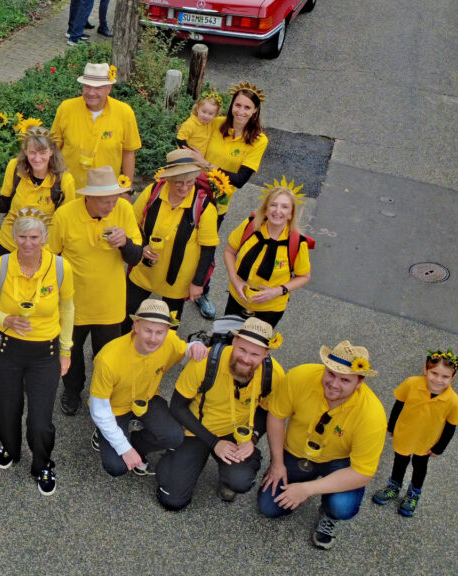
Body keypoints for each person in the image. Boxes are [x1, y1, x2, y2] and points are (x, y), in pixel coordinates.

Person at [0, 211, 74, 495]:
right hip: (6, 349)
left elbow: (67, 308)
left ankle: (43, 464)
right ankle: (9, 447)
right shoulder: (0, 267)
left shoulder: (60, 267)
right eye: (22, 236)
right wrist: (5, 319)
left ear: (44, 238)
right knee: (6, 410)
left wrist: (66, 350)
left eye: (34, 237)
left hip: (46, 352)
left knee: (40, 420)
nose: (28, 243)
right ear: (13, 237)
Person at [259, 340, 386, 550]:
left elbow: (363, 472)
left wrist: (307, 489)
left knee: (342, 507)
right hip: (295, 452)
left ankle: (328, 514)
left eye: (345, 380)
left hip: (339, 463)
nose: (334, 384)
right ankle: (292, 478)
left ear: (360, 381)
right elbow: (276, 415)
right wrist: (277, 463)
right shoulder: (300, 376)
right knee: (268, 508)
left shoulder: (373, 416)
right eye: (331, 374)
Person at [156, 317, 284, 510]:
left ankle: (229, 478)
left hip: (236, 434)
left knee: (240, 480)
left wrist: (253, 439)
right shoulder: (206, 361)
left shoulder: (274, 374)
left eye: (255, 354)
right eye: (242, 349)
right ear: (234, 342)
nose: (246, 359)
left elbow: (267, 411)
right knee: (172, 501)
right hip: (197, 430)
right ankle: (174, 455)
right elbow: (177, 407)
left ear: (266, 353)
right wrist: (214, 443)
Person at [48, 165, 142, 416]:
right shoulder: (64, 216)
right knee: (72, 353)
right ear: (87, 197)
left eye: (115, 199)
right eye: (105, 202)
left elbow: (137, 257)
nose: (112, 206)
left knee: (107, 358)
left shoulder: (123, 209)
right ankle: (72, 390)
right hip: (73, 304)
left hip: (109, 305)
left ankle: (102, 397)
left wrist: (125, 244)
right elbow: (51, 258)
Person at [89, 299, 208, 477]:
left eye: (159, 332)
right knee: (117, 467)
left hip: (147, 398)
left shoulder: (169, 340)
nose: (153, 339)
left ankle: (136, 443)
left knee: (174, 437)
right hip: (113, 409)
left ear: (168, 330)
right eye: (148, 330)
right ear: (136, 326)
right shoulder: (107, 359)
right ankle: (107, 434)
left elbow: (185, 352)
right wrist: (123, 448)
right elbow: (99, 411)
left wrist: (195, 347)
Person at [185, 82, 269, 318]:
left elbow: (240, 179)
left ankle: (202, 291)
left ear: (255, 111)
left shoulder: (258, 140)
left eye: (247, 107)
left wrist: (206, 164)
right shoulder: (216, 123)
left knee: (206, 248)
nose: (240, 111)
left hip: (218, 201)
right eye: (237, 105)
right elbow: (192, 129)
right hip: (191, 190)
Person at [126, 149, 217, 327]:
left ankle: (165, 354)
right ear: (167, 179)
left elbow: (208, 250)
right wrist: (142, 246)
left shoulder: (204, 206)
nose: (184, 188)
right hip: (144, 272)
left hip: (178, 281)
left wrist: (198, 283)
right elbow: (131, 223)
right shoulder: (153, 192)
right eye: (179, 183)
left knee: (171, 325)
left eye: (190, 182)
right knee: (124, 314)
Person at [372, 350, 458, 517]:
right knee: (400, 462)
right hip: (405, 433)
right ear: (425, 370)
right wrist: (391, 426)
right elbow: (399, 404)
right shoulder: (411, 384)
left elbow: (451, 426)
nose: (438, 380)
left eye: (445, 377)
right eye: (434, 373)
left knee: (420, 467)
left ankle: (414, 493)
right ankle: (394, 485)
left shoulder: (453, 401)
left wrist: (439, 447)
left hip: (426, 441)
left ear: (453, 377)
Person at [223, 178, 311, 327]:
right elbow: (229, 251)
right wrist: (235, 279)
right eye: (273, 205)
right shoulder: (250, 226)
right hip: (238, 298)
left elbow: (304, 276)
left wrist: (278, 291)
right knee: (225, 337)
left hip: (270, 308)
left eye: (284, 207)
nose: (277, 211)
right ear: (265, 209)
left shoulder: (297, 243)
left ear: (291, 214)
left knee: (254, 347)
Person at [51, 62, 141, 187]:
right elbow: (53, 148)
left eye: (98, 88)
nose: (91, 92)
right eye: (87, 86)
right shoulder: (66, 108)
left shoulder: (124, 112)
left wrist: (126, 188)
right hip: (68, 190)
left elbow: (129, 152)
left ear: (108, 89)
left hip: (105, 193)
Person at [0, 126, 76, 256]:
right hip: (8, 244)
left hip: (40, 250)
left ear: (51, 151)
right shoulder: (15, 167)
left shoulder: (64, 180)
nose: (37, 158)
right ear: (25, 151)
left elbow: (67, 222)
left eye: (42, 152)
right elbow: (5, 205)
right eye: (32, 152)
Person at [175, 92, 222, 156]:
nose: (206, 116)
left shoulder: (210, 123)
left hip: (199, 159)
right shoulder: (191, 123)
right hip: (186, 157)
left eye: (210, 114)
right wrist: (189, 152)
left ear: (216, 115)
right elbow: (180, 139)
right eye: (204, 111)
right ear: (197, 108)